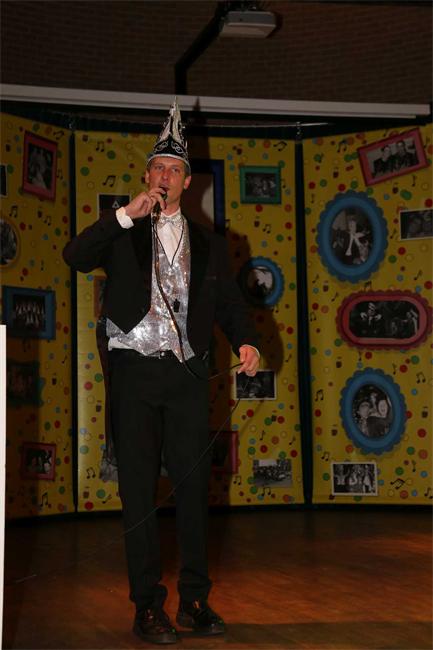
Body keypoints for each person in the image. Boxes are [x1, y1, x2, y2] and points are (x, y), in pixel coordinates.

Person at [63, 99, 259, 645]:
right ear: (147, 175)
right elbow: (74, 256)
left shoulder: (211, 244)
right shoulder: (122, 230)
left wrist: (245, 340)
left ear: (188, 181)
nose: (166, 177)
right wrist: (125, 214)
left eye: (175, 170)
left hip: (188, 375)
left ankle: (194, 600)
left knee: (194, 490)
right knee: (138, 490)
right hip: (134, 372)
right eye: (158, 168)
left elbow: (229, 306)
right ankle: (147, 606)